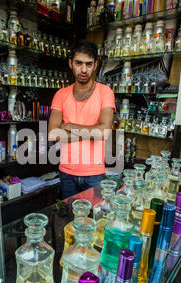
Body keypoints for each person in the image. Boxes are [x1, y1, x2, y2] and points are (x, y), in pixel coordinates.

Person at [48, 39, 116, 199]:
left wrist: (69, 125)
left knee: (93, 220)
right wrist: (92, 131)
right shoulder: (61, 95)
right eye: (79, 63)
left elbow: (103, 132)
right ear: (70, 63)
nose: (84, 69)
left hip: (94, 174)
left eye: (89, 64)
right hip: (67, 172)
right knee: (70, 220)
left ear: (95, 65)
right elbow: (52, 134)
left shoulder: (105, 92)